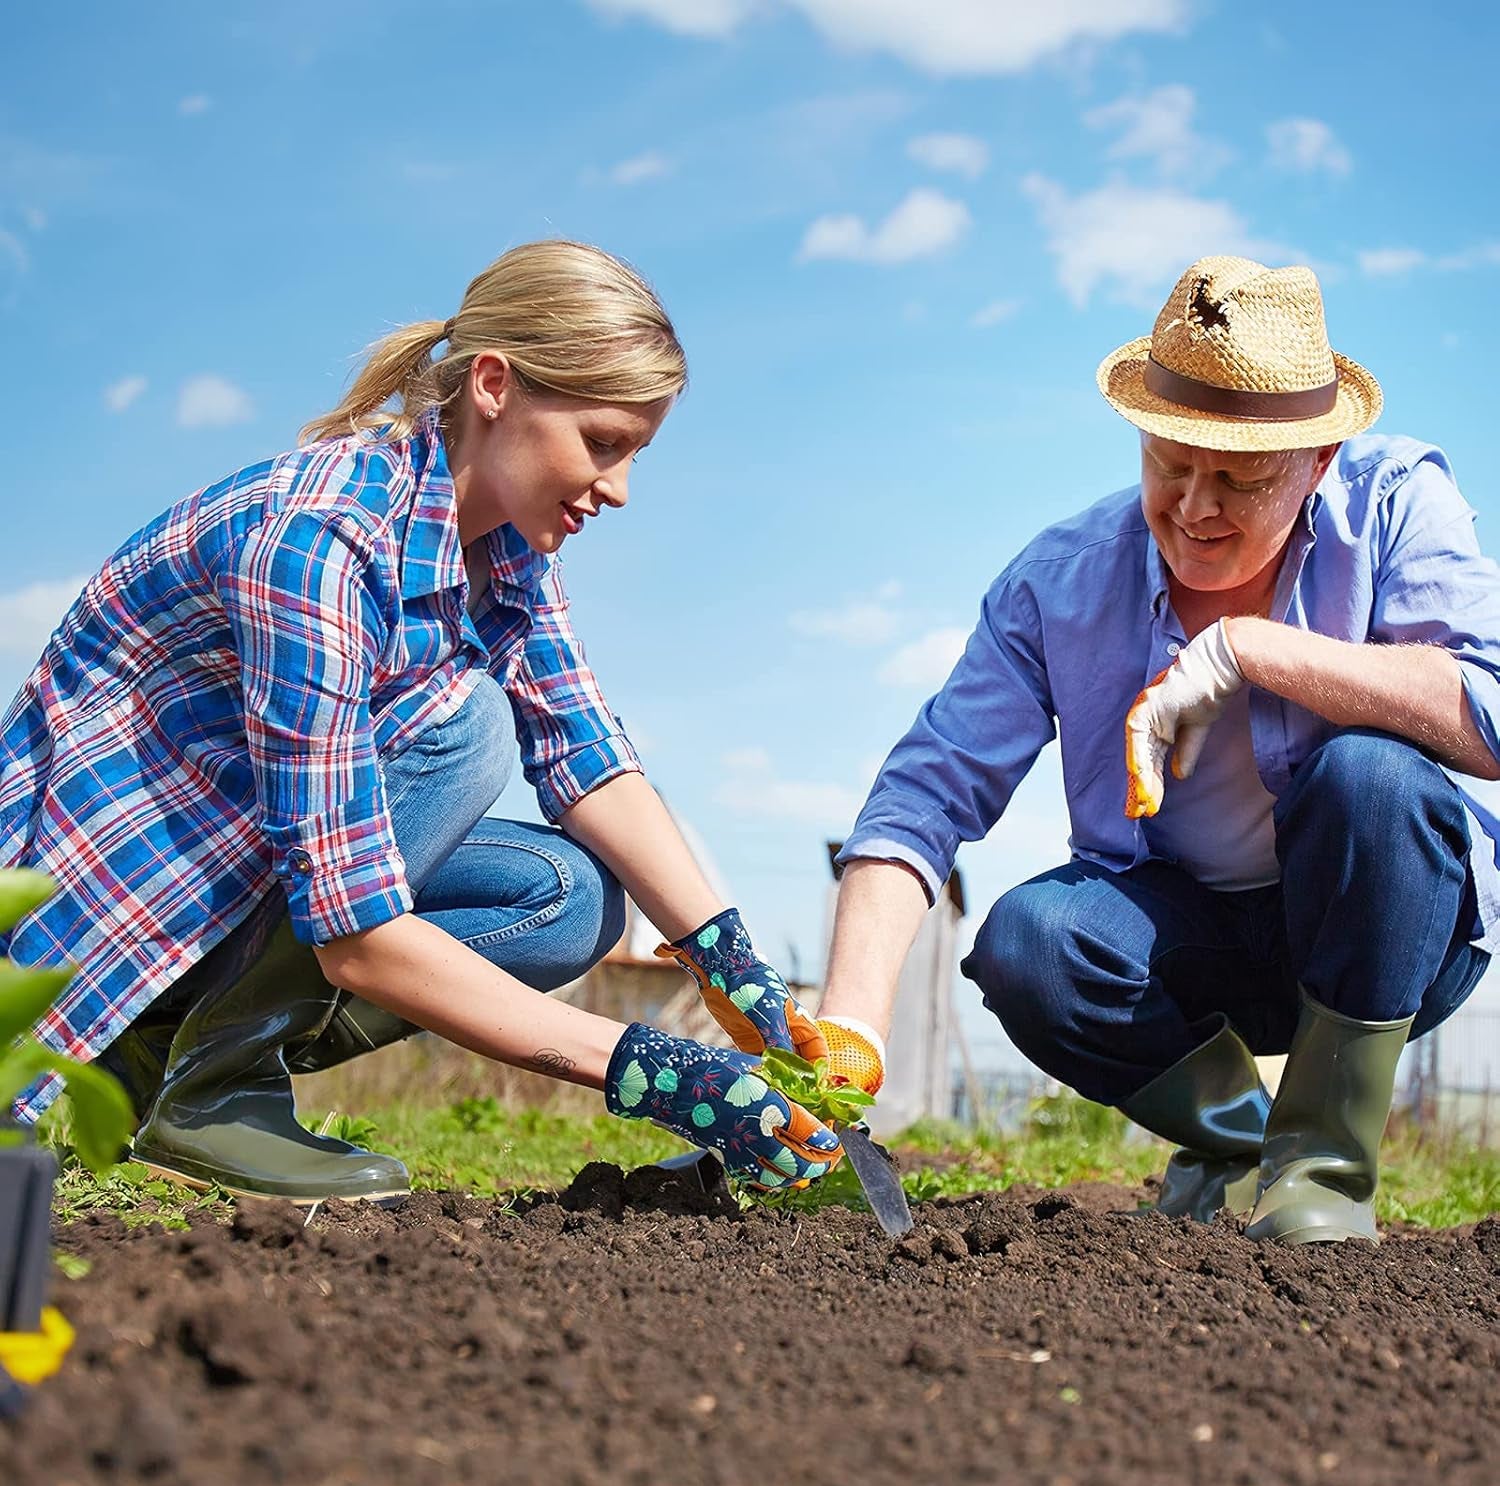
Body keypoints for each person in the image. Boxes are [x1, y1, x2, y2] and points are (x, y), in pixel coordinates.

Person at [1, 240, 855, 1203]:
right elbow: (353, 930)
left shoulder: (506, 551)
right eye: (603, 443)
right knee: (466, 728)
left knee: (570, 895)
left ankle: (158, 1057)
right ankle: (217, 1084)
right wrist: (657, 1074)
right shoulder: (318, 543)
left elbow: (586, 754)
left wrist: (726, 962)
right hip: (117, 901)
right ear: (494, 385)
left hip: (251, 868)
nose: (617, 488)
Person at [818, 256, 1500, 1245]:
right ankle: (1236, 1143)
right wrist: (848, 1023)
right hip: (1187, 957)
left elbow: (1489, 711)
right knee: (1029, 941)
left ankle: (1321, 1174)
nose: (1194, 509)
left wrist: (1250, 651)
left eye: (1240, 479)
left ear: (1318, 461)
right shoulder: (1059, 583)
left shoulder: (1392, 502)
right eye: (1169, 465)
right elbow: (927, 789)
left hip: (1383, 937)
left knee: (1370, 778)